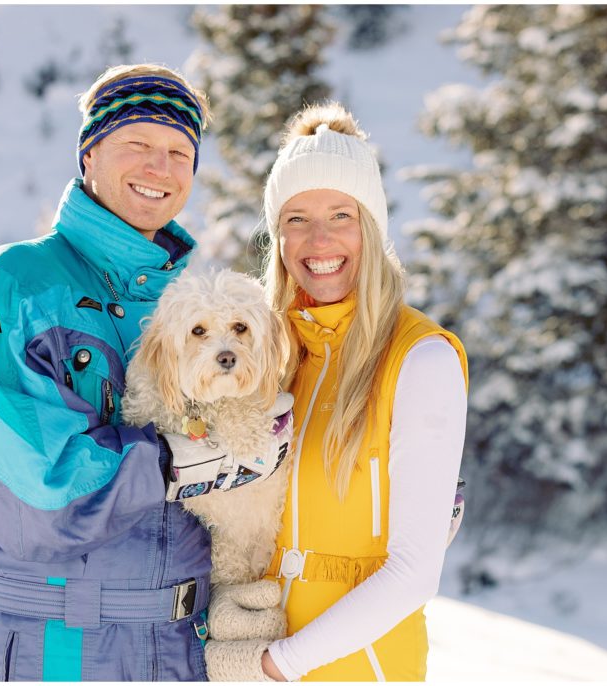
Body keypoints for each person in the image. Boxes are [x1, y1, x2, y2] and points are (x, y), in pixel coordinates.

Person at [0, 63, 292, 681]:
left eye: (180, 151)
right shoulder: (11, 289)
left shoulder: (192, 305)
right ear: (90, 153)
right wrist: (168, 462)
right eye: (138, 144)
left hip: (184, 648)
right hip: (60, 648)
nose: (161, 168)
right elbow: (35, 493)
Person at [202, 103, 469, 681]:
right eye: (296, 218)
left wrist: (278, 665)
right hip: (257, 653)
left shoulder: (420, 358)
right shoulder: (271, 355)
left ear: (371, 225)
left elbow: (415, 570)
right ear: (276, 238)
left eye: (340, 215)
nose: (317, 239)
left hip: (356, 669)